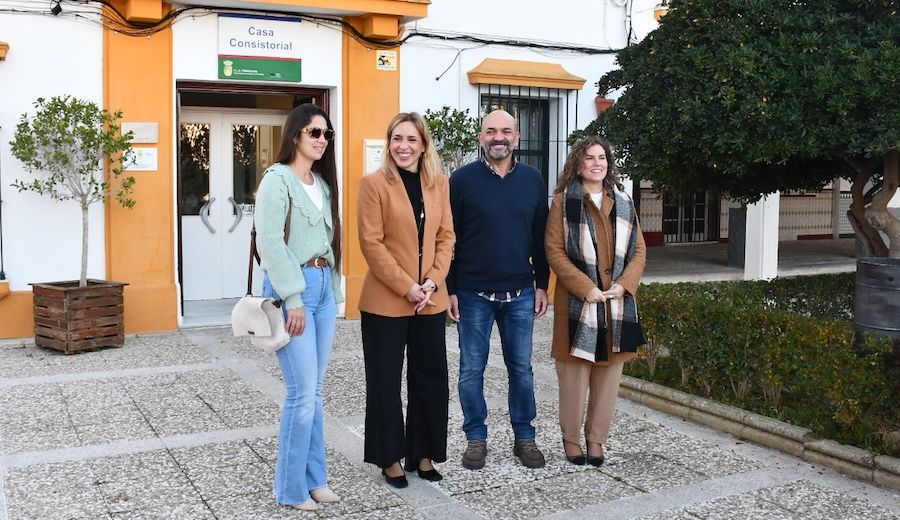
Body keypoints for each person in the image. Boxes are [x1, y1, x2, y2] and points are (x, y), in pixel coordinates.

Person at [357, 112, 455, 488]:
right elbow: (372, 243)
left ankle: (423, 454)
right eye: (397, 138)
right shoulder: (373, 184)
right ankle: (389, 458)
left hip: (429, 300)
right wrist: (407, 286)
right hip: (386, 301)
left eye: (412, 139)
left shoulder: (439, 184)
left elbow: (446, 237)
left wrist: (431, 282)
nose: (404, 146)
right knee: (385, 382)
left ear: (423, 145)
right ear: (389, 143)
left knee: (430, 379)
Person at [448, 109, 550, 470]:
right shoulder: (461, 180)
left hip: (520, 293)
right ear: (481, 137)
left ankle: (525, 437)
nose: (498, 137)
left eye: (506, 131)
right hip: (472, 293)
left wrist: (543, 285)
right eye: (491, 131)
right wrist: (450, 288)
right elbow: (448, 239)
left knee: (521, 370)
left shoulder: (533, 180)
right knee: (470, 371)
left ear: (517, 138)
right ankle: (475, 438)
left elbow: (540, 236)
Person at [255, 103, 343, 511]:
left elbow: (328, 243)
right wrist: (292, 298)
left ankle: (315, 479)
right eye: (314, 132)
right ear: (295, 135)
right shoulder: (277, 180)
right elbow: (271, 243)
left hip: (322, 289)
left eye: (327, 134)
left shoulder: (321, 184)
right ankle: (290, 489)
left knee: (316, 392)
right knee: (301, 394)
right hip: (295, 290)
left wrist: (333, 291)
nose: (322, 140)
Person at [544, 136, 646, 467]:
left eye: (602, 157)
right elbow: (554, 251)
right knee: (574, 378)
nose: (596, 163)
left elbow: (639, 250)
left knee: (608, 379)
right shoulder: (563, 202)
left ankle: (596, 439)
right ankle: (572, 439)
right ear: (578, 163)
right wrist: (584, 287)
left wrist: (625, 285)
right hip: (579, 304)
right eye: (589, 158)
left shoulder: (623, 201)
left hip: (616, 305)